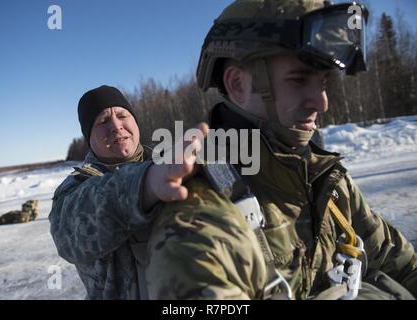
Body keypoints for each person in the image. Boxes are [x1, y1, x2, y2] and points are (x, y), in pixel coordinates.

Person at [143, 0, 417, 300]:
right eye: (299, 80)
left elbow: (401, 262)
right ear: (237, 84)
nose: (322, 101)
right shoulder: (197, 222)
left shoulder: (327, 181)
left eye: (323, 81)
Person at [49, 85, 203, 299]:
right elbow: (69, 236)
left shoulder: (169, 163)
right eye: (103, 121)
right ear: (89, 138)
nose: (116, 126)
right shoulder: (76, 187)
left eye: (122, 115)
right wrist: (145, 184)